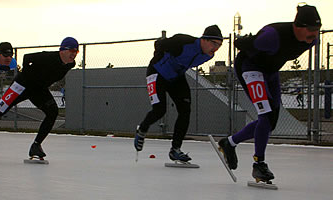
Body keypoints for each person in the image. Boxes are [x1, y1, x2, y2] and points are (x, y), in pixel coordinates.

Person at [218, 4, 321, 183]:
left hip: (271, 72)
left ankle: (230, 142)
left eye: (318, 29)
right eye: (311, 29)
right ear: (298, 26)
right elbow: (242, 44)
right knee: (265, 114)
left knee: (270, 122)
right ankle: (259, 164)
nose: (314, 34)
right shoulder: (272, 36)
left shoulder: (312, 40)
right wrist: (244, 42)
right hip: (250, 68)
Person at [0, 37, 79, 159]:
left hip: (38, 90)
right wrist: (26, 75)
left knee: (53, 112)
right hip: (21, 86)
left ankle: (36, 146)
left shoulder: (70, 64)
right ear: (63, 50)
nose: (74, 54)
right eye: (72, 51)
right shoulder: (49, 57)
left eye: (76, 52)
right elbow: (27, 58)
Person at [134, 25, 223, 162]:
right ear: (204, 39)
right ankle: (142, 129)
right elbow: (159, 43)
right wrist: (159, 58)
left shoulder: (208, 55)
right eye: (214, 43)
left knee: (185, 110)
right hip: (157, 72)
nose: (216, 48)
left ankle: (175, 149)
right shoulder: (184, 41)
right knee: (159, 109)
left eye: (219, 45)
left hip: (176, 77)